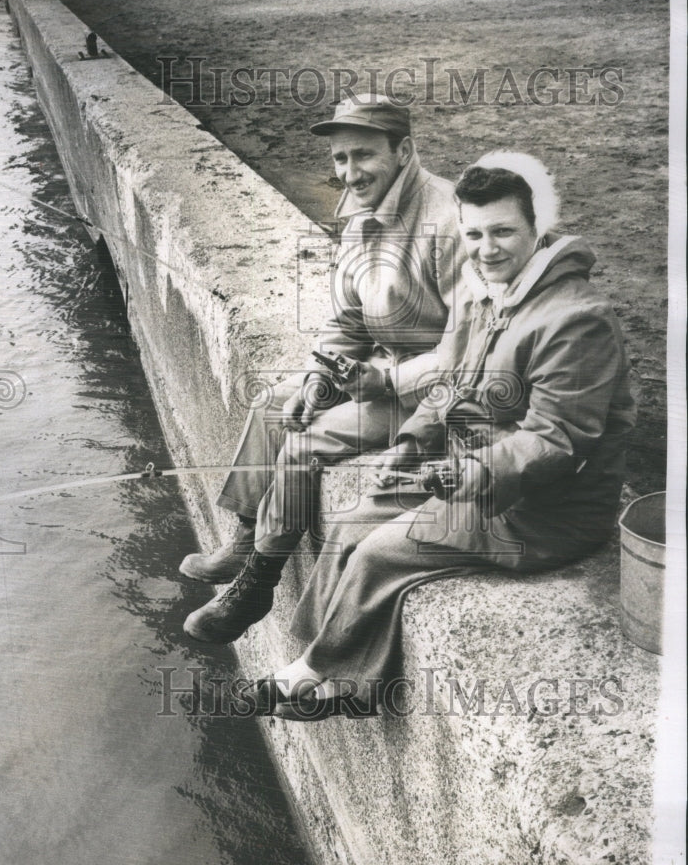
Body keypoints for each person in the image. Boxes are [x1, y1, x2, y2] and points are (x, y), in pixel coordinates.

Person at [242, 152, 636, 720]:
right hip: (462, 477)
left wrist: (473, 472)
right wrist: (410, 443)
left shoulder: (577, 320)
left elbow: (558, 439)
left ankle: (315, 676)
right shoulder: (484, 293)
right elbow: (451, 385)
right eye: (474, 234)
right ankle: (332, 667)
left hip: (542, 511)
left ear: (536, 230)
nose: (487, 248)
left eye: (503, 231)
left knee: (380, 552)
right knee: (352, 521)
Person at [182, 94, 464, 644]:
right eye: (339, 159)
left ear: (404, 150)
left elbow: (467, 348)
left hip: (435, 397)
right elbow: (350, 323)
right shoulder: (363, 214)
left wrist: (386, 381)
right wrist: (320, 377)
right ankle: (244, 538)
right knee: (273, 407)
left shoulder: (448, 222)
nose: (349, 172)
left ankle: (257, 582)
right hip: (381, 369)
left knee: (305, 443)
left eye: (363, 155)